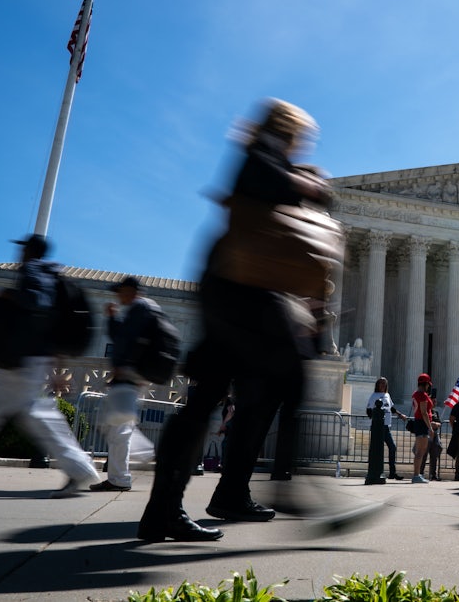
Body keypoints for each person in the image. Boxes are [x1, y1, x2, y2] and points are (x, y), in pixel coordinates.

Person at [137, 98, 336, 541]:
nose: (304, 144)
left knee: (210, 400)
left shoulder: (263, 156)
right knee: (289, 375)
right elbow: (262, 184)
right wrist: (308, 186)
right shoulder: (262, 156)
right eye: (302, 135)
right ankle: (284, 486)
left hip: (228, 288)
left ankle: (173, 507)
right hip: (241, 291)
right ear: (287, 130)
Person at [0, 235, 99, 499]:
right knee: (26, 414)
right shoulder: (52, 275)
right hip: (34, 359)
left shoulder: (33, 270)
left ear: (29, 251)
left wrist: (10, 296)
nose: (19, 253)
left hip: (22, 359)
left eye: (22, 249)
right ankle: (79, 468)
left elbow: (38, 306)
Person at [89, 276, 159, 492]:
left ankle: (120, 478)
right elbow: (123, 337)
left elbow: (130, 341)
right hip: (132, 375)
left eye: (120, 291)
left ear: (130, 290)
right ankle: (145, 454)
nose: (118, 296)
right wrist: (112, 318)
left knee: (117, 427)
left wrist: (124, 367)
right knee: (115, 423)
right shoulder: (141, 309)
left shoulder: (140, 308)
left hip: (129, 375)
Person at [366, 377, 407, 480]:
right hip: (378, 427)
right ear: (377, 385)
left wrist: (400, 415)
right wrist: (375, 418)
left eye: (385, 384)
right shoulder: (374, 396)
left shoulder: (387, 395)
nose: (383, 386)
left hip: (387, 427)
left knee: (392, 447)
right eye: (381, 384)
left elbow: (391, 408)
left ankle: (392, 472)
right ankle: (374, 471)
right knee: (376, 450)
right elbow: (368, 410)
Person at [410, 373, 435, 484]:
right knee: (421, 451)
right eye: (428, 385)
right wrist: (430, 427)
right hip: (422, 424)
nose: (429, 387)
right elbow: (424, 412)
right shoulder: (422, 395)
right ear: (425, 384)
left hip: (419, 423)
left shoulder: (416, 394)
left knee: (420, 451)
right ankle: (416, 475)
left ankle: (417, 474)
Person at [419, 409, 443, 481]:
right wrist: (431, 424)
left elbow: (439, 423)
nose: (435, 402)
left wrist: (436, 424)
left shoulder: (435, 412)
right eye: (433, 400)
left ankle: (433, 475)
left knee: (434, 456)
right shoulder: (424, 411)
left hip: (434, 435)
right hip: (426, 434)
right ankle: (420, 473)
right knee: (424, 455)